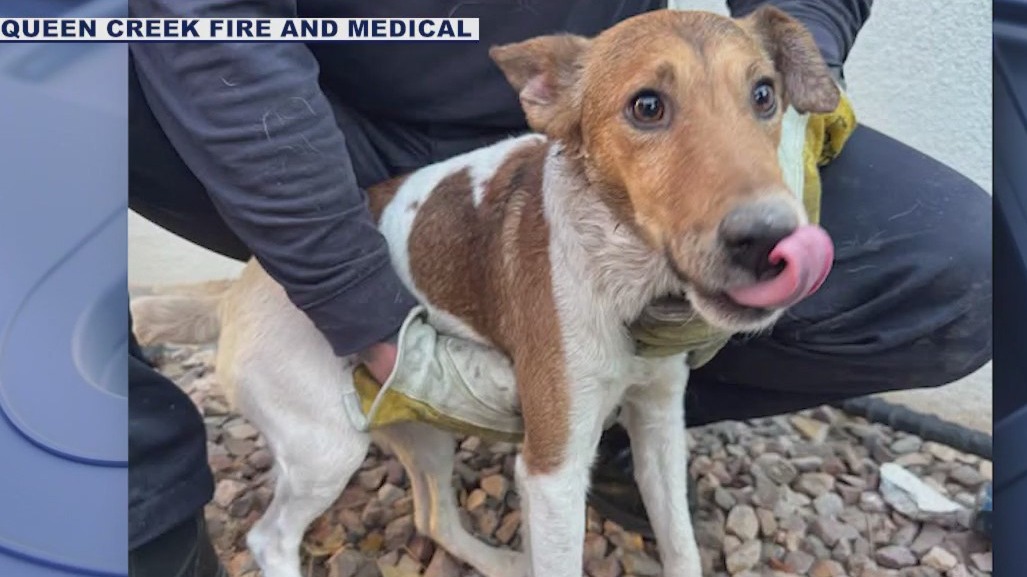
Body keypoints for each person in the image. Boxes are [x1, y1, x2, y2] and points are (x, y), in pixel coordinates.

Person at [127, 0, 992, 574]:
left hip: (565, 152)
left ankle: (454, 518)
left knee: (660, 387)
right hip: (320, 129)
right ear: (543, 92)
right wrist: (357, 305)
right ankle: (270, 546)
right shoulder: (567, 101)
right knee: (338, 453)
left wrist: (794, 75)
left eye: (759, 94)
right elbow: (545, 477)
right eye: (654, 107)